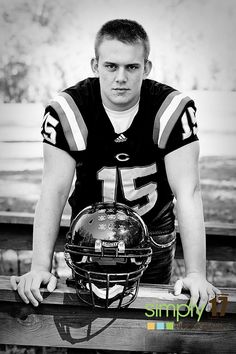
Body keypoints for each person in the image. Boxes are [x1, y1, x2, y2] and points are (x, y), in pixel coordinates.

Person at [11, 19, 220, 310]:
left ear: (146, 68)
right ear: (95, 66)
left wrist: (197, 273)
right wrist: (39, 266)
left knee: (152, 323)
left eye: (131, 67)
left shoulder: (170, 109)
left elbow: (189, 192)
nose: (120, 77)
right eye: (111, 66)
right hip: (90, 235)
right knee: (87, 318)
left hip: (152, 234)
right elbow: (54, 191)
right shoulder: (70, 109)